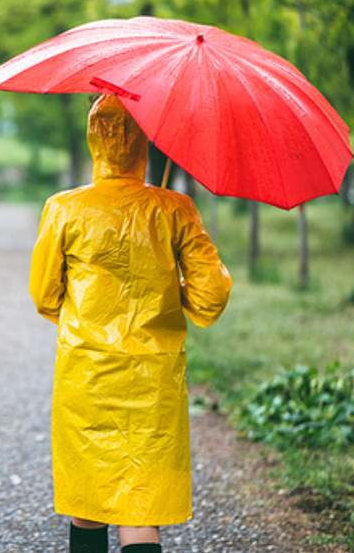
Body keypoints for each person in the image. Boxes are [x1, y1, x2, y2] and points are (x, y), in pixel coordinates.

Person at [29, 93, 232, 553]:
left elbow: (44, 295)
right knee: (141, 508)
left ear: (92, 140)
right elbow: (211, 296)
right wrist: (168, 288)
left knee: (89, 498)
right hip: (153, 379)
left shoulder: (64, 208)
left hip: (87, 372)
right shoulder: (174, 209)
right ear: (144, 143)